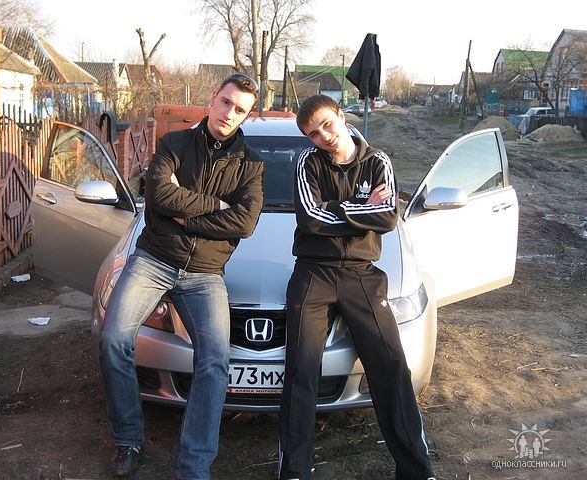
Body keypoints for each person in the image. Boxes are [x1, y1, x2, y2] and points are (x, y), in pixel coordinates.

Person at [99, 73, 263, 479]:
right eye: (226, 102)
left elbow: (244, 223)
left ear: (246, 116)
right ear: (213, 99)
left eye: (240, 110)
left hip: (205, 274)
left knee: (215, 359)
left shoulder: (251, 164)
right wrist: (217, 205)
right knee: (114, 338)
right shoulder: (174, 143)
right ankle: (128, 438)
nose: (229, 113)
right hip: (153, 259)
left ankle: (194, 465)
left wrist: (185, 217)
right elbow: (158, 195)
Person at [278, 95, 435, 480]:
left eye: (327, 125)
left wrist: (337, 208)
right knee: (301, 371)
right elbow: (310, 219)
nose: (323, 136)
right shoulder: (307, 162)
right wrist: (361, 206)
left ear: (341, 116)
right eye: (313, 133)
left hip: (361, 274)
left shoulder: (377, 161)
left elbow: (388, 217)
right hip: (313, 273)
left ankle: (416, 470)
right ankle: (294, 471)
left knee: (391, 367)